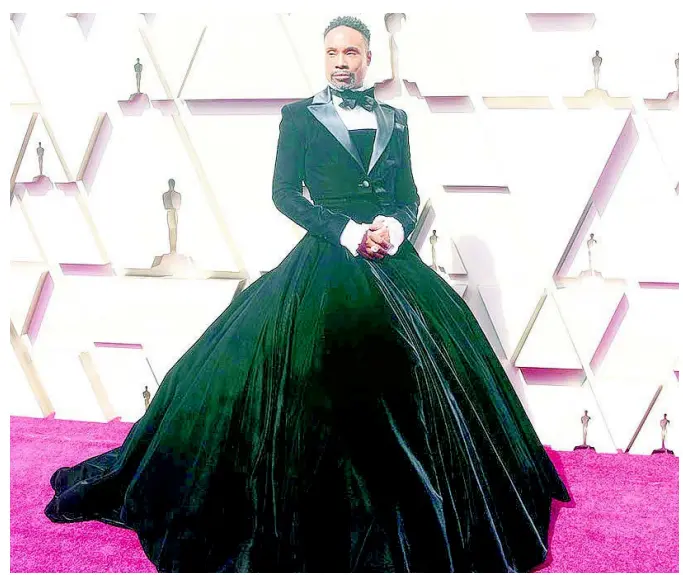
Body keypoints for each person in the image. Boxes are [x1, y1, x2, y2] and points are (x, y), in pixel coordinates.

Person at [45, 15, 571, 573]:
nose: (342, 61)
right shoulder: (299, 117)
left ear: (369, 59)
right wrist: (344, 232)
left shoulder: (396, 118)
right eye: (332, 53)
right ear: (325, 59)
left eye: (351, 52)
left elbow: (407, 194)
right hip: (327, 253)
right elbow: (282, 193)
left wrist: (393, 228)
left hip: (392, 256)